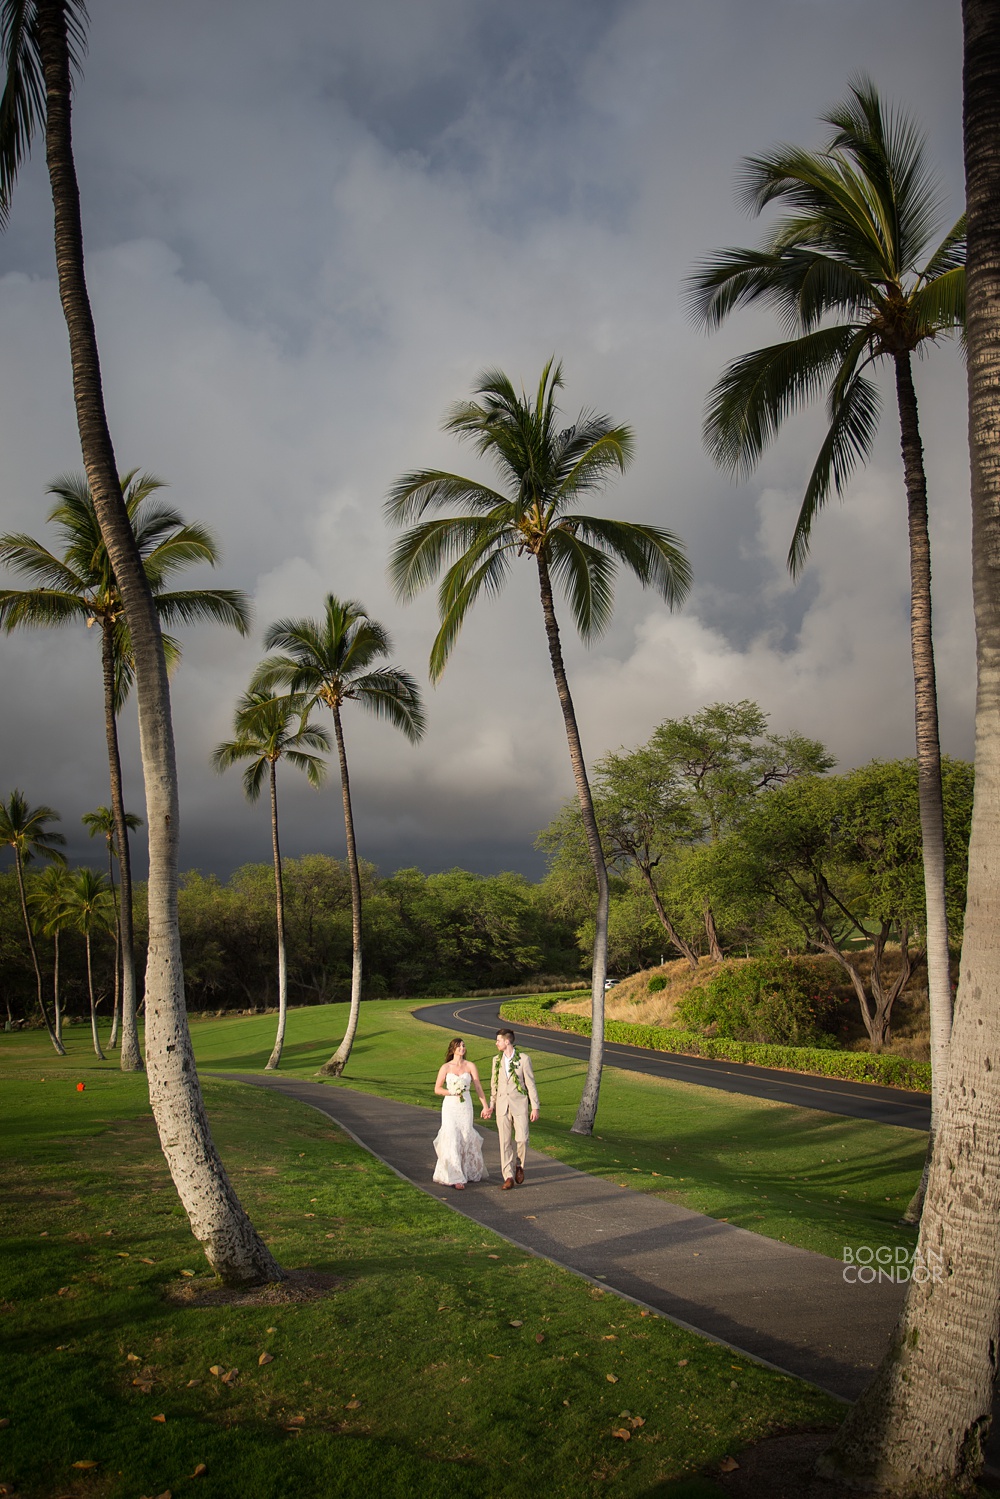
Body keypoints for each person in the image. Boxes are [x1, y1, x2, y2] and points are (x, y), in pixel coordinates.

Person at [482, 1028, 539, 1189]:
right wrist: (491, 1105)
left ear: (507, 1041)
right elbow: (494, 1084)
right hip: (502, 1105)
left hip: (519, 1104)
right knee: (504, 1142)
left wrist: (535, 1107)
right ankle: (508, 1176)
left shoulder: (524, 1059)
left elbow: (530, 1084)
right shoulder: (496, 1060)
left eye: (498, 1040)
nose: (496, 1043)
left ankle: (519, 1165)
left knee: (522, 1139)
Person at [432, 1037, 489, 1190]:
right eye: (459, 1046)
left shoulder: (470, 1066)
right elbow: (437, 1089)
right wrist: (451, 1092)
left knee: (465, 1135)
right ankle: (455, 1176)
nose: (462, 1048)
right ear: (453, 1049)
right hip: (450, 1106)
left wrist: (485, 1106)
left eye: (463, 1046)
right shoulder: (445, 1067)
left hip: (465, 1106)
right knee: (452, 1136)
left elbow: (477, 1086)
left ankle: (467, 1171)